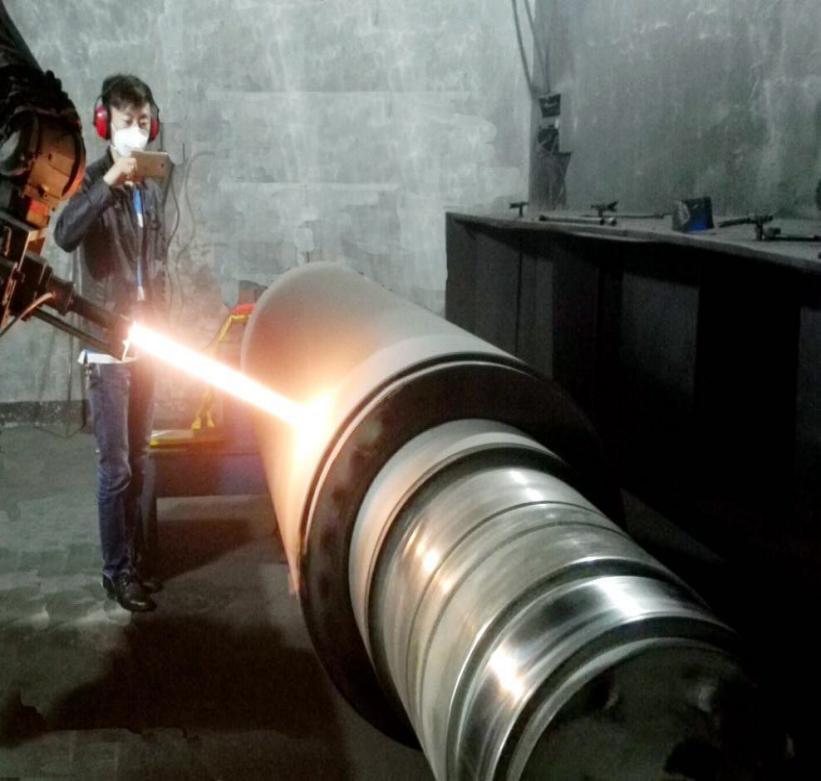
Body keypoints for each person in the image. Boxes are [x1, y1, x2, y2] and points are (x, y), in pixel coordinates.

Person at [54, 74, 167, 612]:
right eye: (127, 121)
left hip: (147, 343)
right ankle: (115, 572)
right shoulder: (93, 180)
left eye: (144, 121)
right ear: (106, 124)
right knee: (116, 467)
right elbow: (65, 233)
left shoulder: (148, 190)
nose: (136, 131)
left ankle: (136, 561)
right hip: (106, 345)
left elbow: (152, 266)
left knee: (141, 459)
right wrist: (107, 185)